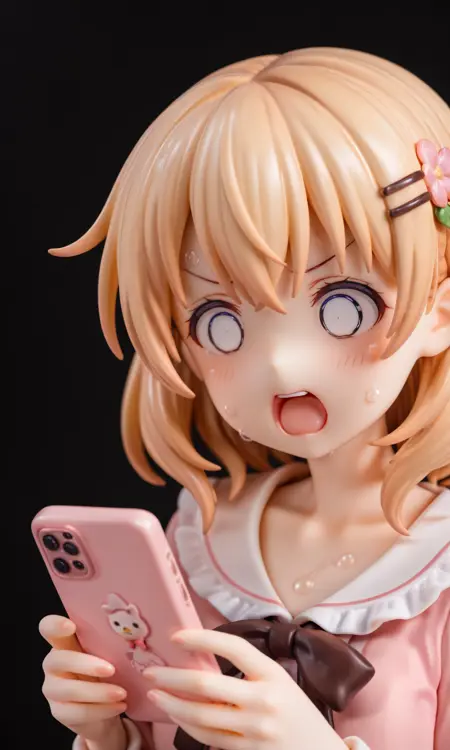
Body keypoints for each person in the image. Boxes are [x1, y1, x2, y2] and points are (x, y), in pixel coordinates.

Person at [41, 47, 450, 749]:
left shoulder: (435, 573)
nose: (282, 364)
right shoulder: (203, 543)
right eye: (220, 324)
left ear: (439, 310)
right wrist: (109, 731)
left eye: (343, 307)